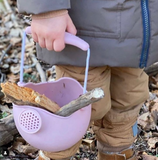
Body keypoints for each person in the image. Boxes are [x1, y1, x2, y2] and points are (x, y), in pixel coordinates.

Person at [16, 0, 158, 160]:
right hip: (81, 27)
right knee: (75, 103)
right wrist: (47, 11)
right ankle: (56, 154)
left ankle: (118, 151)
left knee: (129, 93)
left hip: (137, 27)